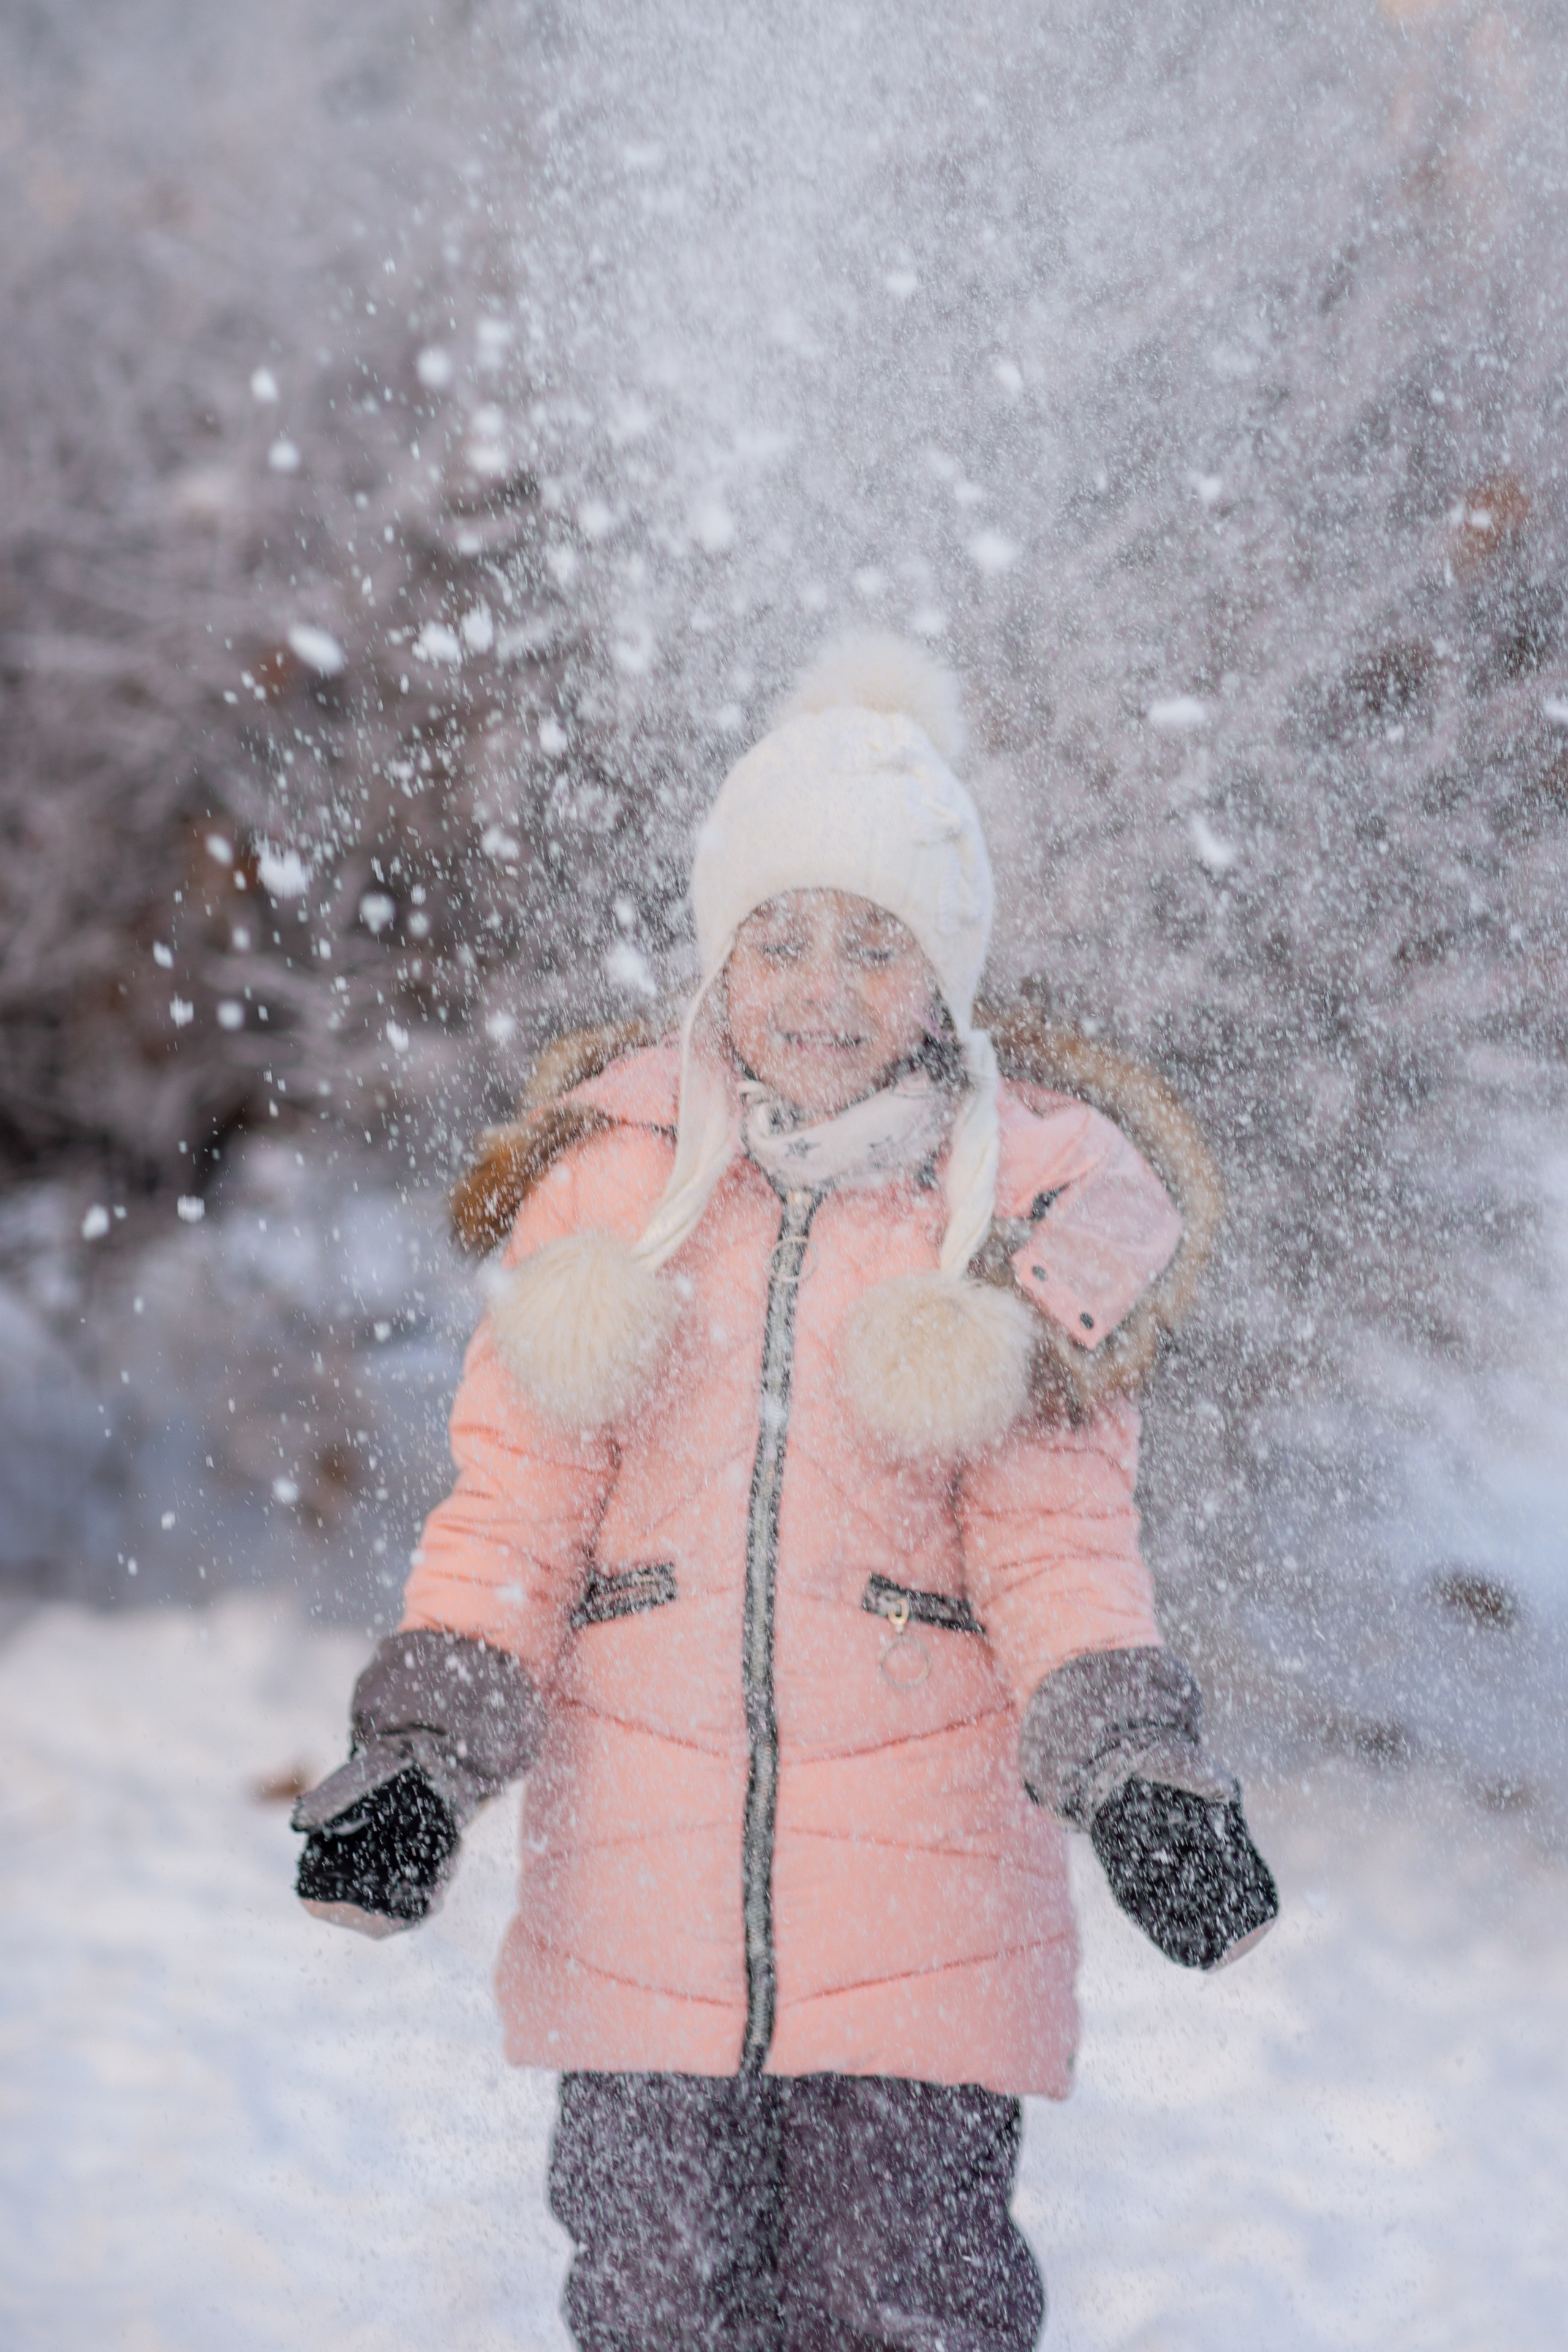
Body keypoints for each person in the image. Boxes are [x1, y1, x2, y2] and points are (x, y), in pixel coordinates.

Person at [293, 635, 1278, 2351]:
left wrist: (1135, 1771)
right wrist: (424, 1755)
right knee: (657, 2299)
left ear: (943, 975)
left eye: (876, 942)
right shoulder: (614, 1193)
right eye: (783, 935)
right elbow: (515, 1509)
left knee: (900, 2305)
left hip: (931, 1909)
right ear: (718, 955)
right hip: (640, 1907)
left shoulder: (1013, 1221)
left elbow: (1055, 1541)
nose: (823, 986)